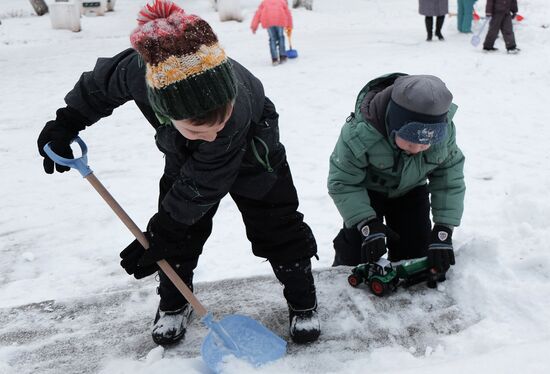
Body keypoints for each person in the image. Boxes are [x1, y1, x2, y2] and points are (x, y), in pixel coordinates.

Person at [37, 0, 320, 346]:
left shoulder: (230, 121)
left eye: (216, 123)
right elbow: (101, 84)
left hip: (254, 152)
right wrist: (65, 123)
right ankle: (175, 300)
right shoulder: (141, 71)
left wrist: (164, 230)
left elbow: (204, 182)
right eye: (199, 130)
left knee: (276, 222)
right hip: (181, 153)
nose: (211, 134)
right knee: (181, 231)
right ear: (165, 110)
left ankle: (302, 296)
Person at [327, 73, 465, 287]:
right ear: (394, 124)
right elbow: (342, 182)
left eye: (426, 144)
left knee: (416, 248)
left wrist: (443, 230)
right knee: (360, 247)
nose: (418, 149)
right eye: (411, 142)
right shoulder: (359, 133)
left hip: (411, 190)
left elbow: (449, 178)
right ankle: (342, 270)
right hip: (367, 192)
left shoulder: (442, 134)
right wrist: (367, 224)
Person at [251, 0, 293, 65]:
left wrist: (254, 26)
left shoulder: (264, 2)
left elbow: (258, 14)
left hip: (268, 22)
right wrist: (289, 26)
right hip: (280, 20)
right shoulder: (282, 1)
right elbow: (288, 13)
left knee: (272, 39)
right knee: (281, 37)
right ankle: (282, 56)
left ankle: (274, 59)